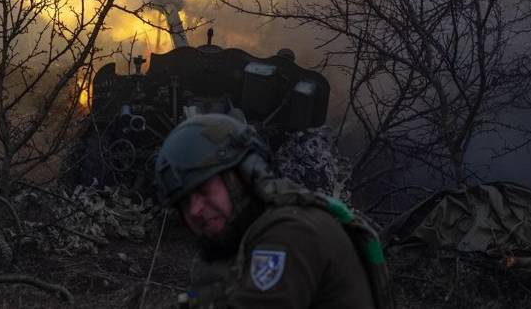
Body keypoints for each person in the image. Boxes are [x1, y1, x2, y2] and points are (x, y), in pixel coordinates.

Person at [154, 114, 393, 309]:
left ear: (244, 175)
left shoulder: (290, 233)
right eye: (184, 203)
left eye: (204, 189)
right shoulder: (254, 236)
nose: (195, 210)